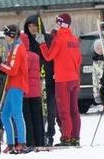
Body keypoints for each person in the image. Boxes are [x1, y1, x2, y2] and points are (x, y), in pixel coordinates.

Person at [40, 13, 82, 145]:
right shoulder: (74, 39)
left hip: (62, 79)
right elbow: (79, 60)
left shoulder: (58, 39)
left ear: (59, 24)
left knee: (64, 111)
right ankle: (75, 138)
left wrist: (42, 43)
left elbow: (48, 56)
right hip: (74, 78)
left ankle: (66, 138)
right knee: (74, 110)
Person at [24, 14, 56, 144]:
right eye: (29, 26)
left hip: (48, 79)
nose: (32, 28)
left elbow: (52, 57)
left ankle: (50, 135)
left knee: (50, 110)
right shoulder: (26, 42)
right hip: (33, 82)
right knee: (37, 112)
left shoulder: (48, 39)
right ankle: (39, 136)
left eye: (34, 25)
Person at [0, 24, 29, 152]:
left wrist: (0, 65)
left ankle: (22, 142)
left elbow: (13, 70)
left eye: (6, 34)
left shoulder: (17, 47)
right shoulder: (12, 48)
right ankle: (11, 142)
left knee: (17, 114)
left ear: (11, 35)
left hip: (17, 84)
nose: (4, 37)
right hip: (11, 85)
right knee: (4, 115)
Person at [21, 33, 44, 148]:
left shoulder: (23, 56)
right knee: (37, 118)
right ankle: (40, 141)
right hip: (36, 92)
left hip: (25, 92)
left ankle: (31, 141)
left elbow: (22, 71)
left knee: (27, 119)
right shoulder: (35, 56)